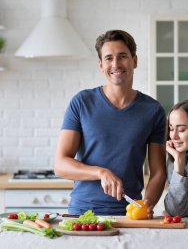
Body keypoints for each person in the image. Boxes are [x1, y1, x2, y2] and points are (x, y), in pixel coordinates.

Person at [54, 30, 167, 216]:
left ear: (135, 61)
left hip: (129, 214)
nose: (115, 64)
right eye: (108, 58)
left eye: (122, 56)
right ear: (101, 65)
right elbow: (61, 164)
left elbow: (158, 172)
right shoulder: (82, 102)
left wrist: (147, 204)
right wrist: (100, 172)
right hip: (83, 213)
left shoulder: (152, 110)